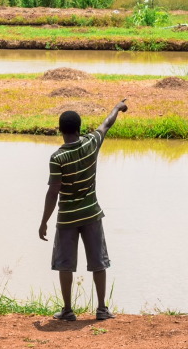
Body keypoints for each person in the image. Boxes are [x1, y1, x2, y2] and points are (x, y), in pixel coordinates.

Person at [38, 100, 128, 322]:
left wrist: (43, 221)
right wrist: (116, 108)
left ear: (61, 131)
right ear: (79, 129)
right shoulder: (90, 144)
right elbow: (106, 124)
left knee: (65, 265)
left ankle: (68, 310)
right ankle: (101, 309)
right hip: (91, 215)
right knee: (98, 262)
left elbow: (53, 192)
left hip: (67, 217)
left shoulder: (57, 158)